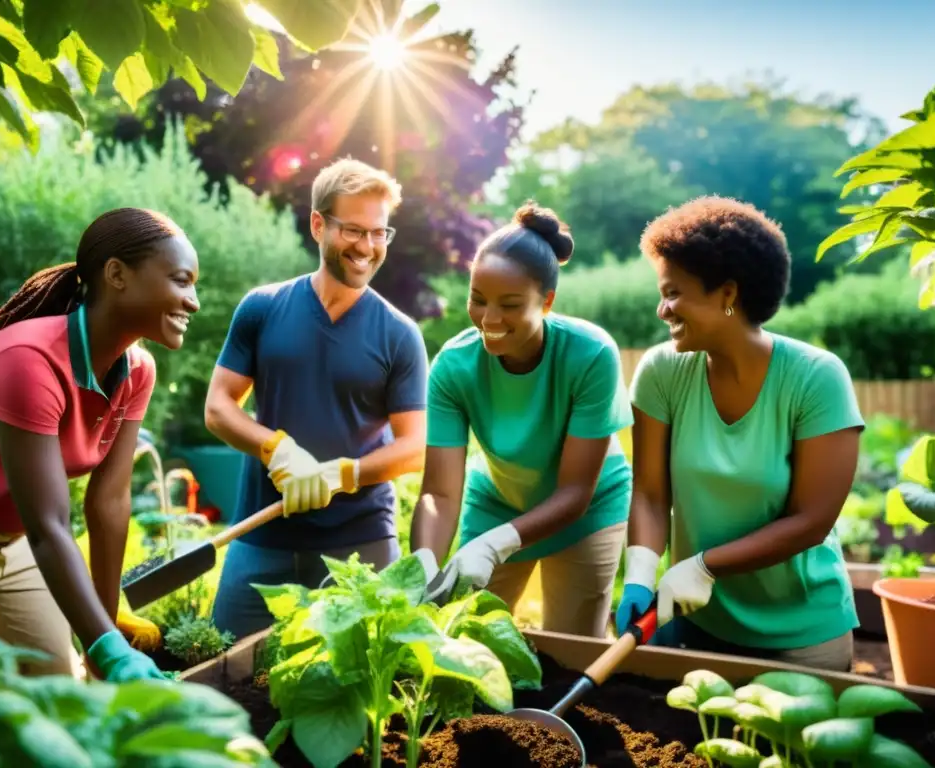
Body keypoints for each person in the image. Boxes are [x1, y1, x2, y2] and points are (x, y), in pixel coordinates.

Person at [0, 207, 201, 680]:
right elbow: (49, 522)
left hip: (13, 541)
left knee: (62, 688)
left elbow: (109, 501)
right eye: (181, 281)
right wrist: (108, 649)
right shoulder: (27, 359)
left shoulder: (137, 371)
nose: (193, 301)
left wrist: (106, 628)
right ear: (117, 274)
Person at [615, 196, 863, 671]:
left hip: (801, 635)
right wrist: (642, 575)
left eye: (672, 293)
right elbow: (648, 494)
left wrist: (704, 566)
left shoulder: (817, 378)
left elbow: (811, 520)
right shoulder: (662, 371)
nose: (661, 310)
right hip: (696, 621)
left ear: (727, 294)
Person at [205, 157, 428, 640]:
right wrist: (277, 450)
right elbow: (219, 407)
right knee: (224, 674)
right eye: (354, 230)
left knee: (357, 691)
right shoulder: (262, 309)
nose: (367, 247)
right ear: (317, 224)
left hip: (359, 543)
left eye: (379, 233)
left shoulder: (399, 334)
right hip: (261, 532)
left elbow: (414, 447)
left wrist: (340, 473)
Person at [410, 202, 633, 639]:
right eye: (478, 300)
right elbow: (439, 490)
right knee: (466, 637)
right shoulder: (454, 366)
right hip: (498, 501)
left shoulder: (590, 355)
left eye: (509, 305)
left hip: (586, 509)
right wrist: (423, 562)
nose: (489, 320)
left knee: (571, 649)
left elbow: (574, 492)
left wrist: (496, 545)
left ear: (546, 301)